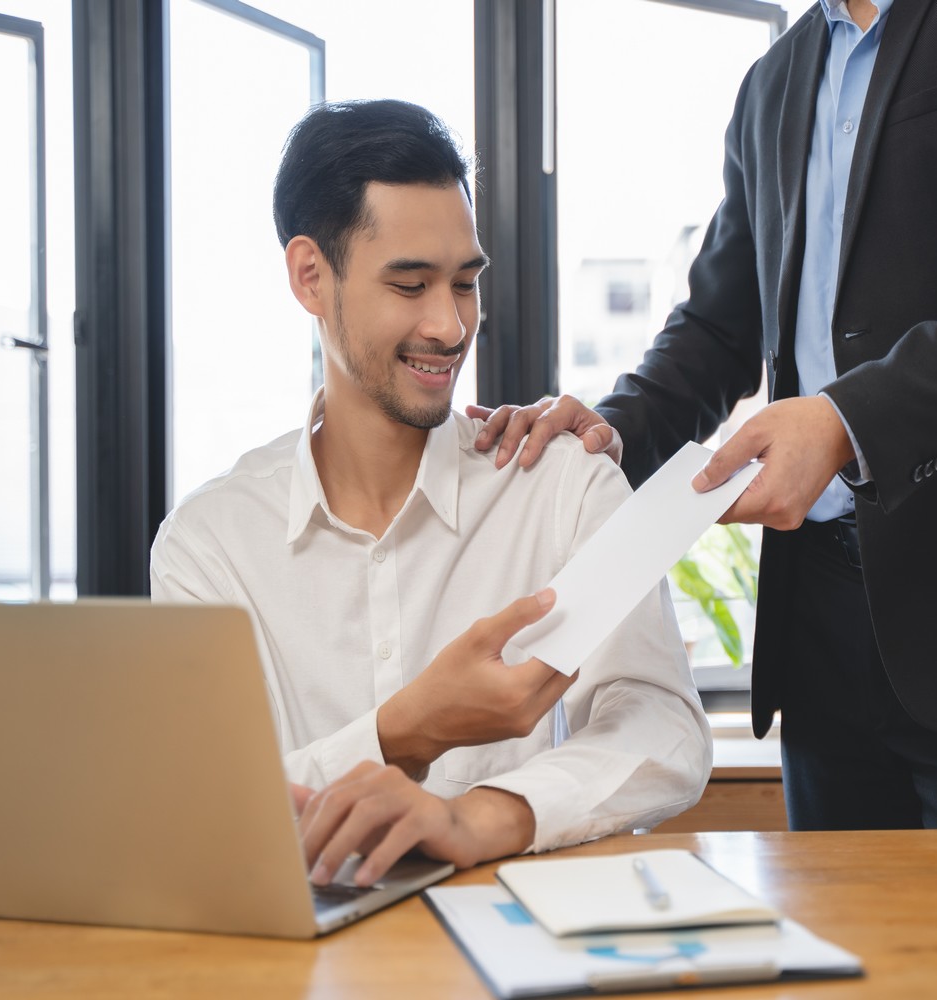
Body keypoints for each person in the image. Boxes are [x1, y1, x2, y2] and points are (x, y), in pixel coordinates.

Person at [473, 0, 937, 830]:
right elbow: (718, 326)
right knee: (834, 948)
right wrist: (608, 429)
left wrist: (846, 419)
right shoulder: (772, 80)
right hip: (820, 632)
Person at [150, 99, 710, 886]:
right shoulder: (208, 546)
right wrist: (405, 730)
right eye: (409, 285)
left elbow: (661, 728)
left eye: (464, 283)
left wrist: (475, 817)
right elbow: (207, 806)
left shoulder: (560, 485)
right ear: (311, 276)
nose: (450, 326)